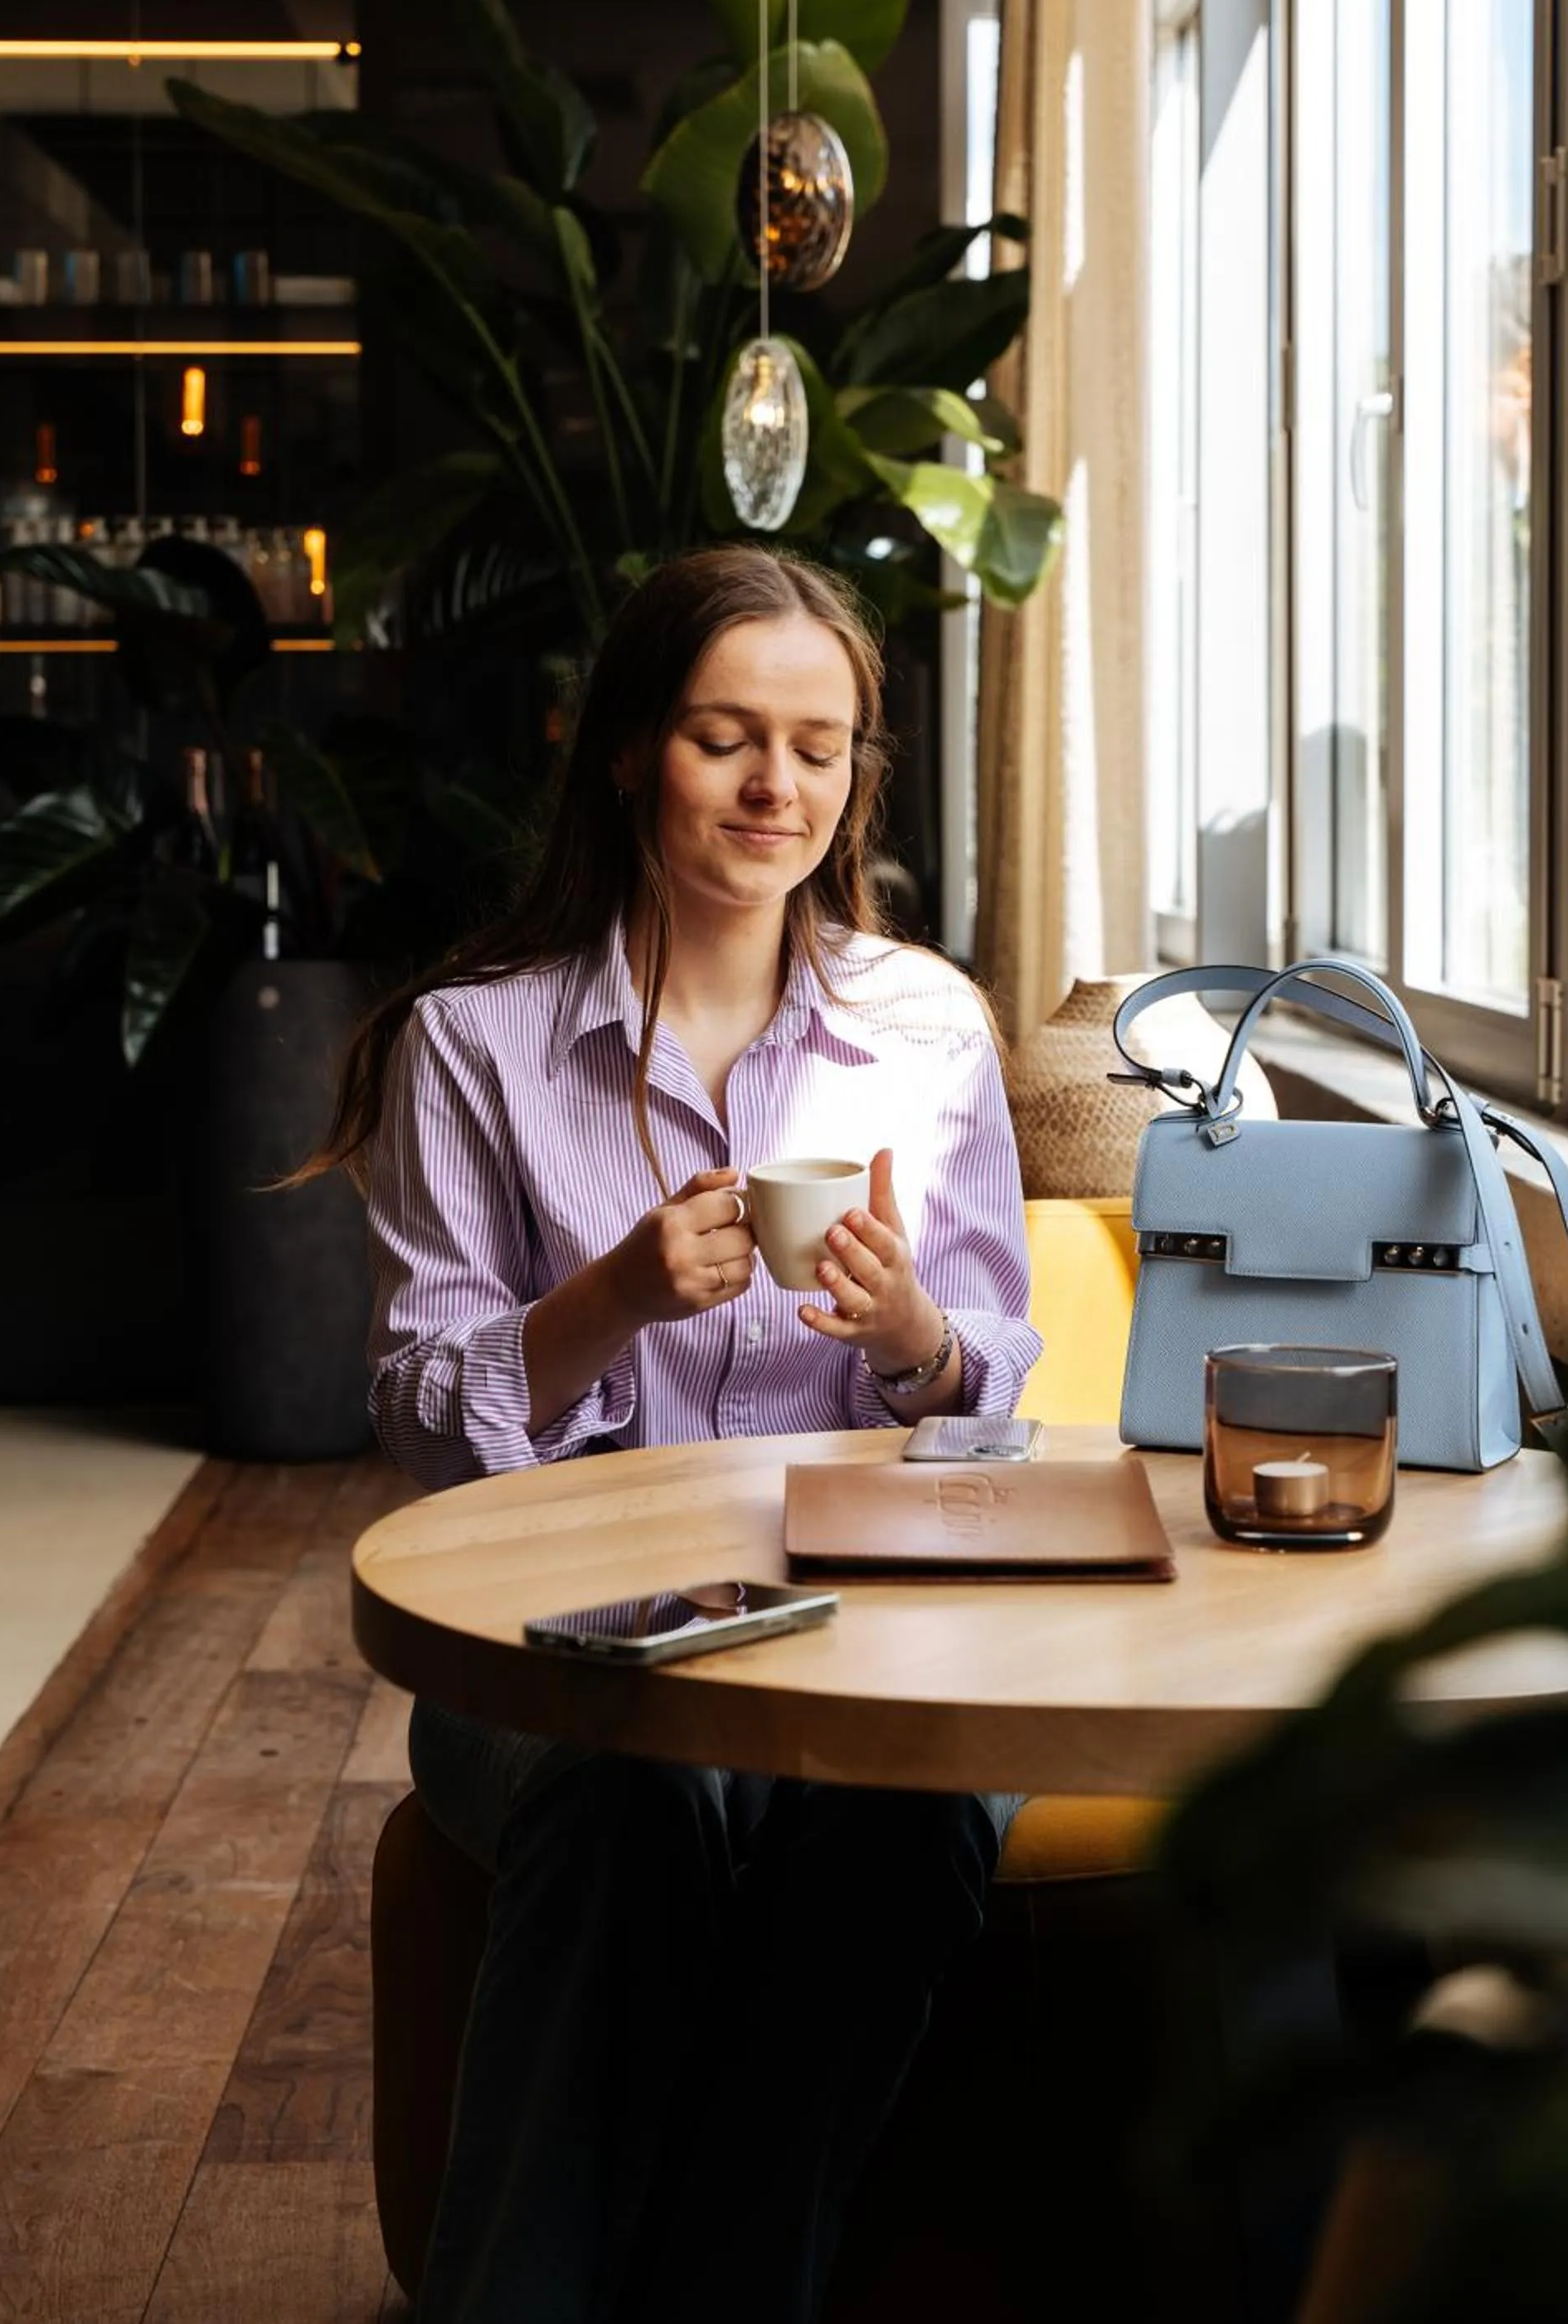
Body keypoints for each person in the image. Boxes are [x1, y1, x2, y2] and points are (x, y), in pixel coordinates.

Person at [314, 546, 1041, 2324]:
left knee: (907, 1822)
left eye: (818, 747)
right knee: (630, 1794)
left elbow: (994, 1390)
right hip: (556, 1650)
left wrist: (911, 1336)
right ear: (632, 745)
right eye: (727, 737)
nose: (775, 785)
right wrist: (610, 1300)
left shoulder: (925, 1027)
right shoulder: (471, 1045)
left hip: (865, 1637)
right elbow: (416, 1409)